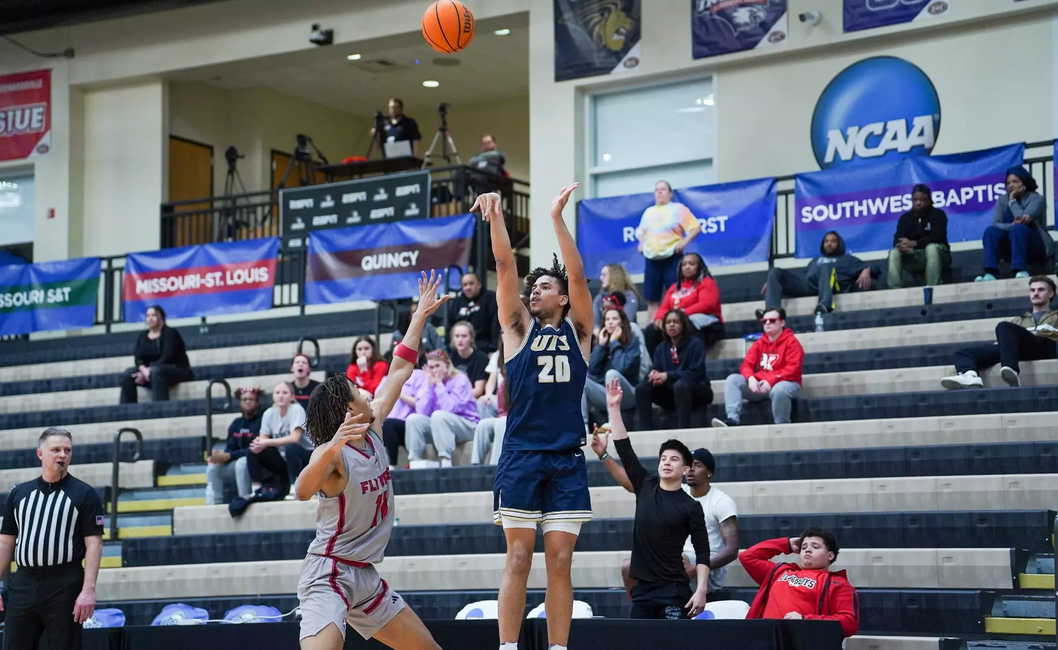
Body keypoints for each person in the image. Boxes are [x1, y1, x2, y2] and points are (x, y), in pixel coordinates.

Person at [295, 270, 448, 650]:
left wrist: (418, 318)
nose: (366, 390)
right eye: (357, 390)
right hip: (328, 572)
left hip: (364, 575)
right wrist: (329, 448)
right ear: (349, 408)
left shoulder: (375, 422)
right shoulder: (331, 455)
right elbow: (301, 491)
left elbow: (399, 368)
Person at [473, 185, 593, 650]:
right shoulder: (518, 330)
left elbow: (579, 277)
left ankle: (559, 649)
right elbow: (505, 267)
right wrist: (497, 217)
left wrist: (556, 218)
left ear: (562, 299)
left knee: (560, 563)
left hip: (565, 457)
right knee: (519, 557)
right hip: (522, 455)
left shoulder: (580, 332)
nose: (534, 290)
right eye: (533, 287)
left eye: (545, 286)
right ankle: (508, 648)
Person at [593, 379, 710, 619]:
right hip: (643, 590)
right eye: (663, 458)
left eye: (674, 459)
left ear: (686, 470)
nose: (667, 462)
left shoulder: (691, 507)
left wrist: (701, 590)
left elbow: (703, 551)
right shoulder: (646, 484)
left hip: (674, 590)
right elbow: (625, 449)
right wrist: (614, 407)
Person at [0, 428, 104, 650]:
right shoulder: (19, 494)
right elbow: (5, 542)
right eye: (56, 450)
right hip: (24, 582)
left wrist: (88, 590)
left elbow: (94, 543)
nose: (62, 455)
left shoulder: (85, 494)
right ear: (40, 454)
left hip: (64, 583)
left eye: (67, 450)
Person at [600, 445, 740, 600]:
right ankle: (639, 611)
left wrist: (695, 569)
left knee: (679, 560)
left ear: (709, 473)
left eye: (698, 465)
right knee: (629, 567)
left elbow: (732, 550)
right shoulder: (677, 492)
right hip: (676, 559)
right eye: (690, 465)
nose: (692, 469)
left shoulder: (721, 501)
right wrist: (603, 455)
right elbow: (632, 483)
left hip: (706, 564)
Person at [941, 275, 1058, 389]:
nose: (1035, 293)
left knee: (1004, 326)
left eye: (1040, 290)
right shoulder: (1018, 320)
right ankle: (970, 375)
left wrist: (1038, 333)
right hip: (1020, 350)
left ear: (1051, 294)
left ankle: (1010, 369)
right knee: (963, 353)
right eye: (1032, 290)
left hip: (1045, 347)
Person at [740, 528, 860, 638]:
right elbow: (747, 557)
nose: (807, 549)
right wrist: (786, 545)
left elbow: (849, 623)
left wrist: (805, 620)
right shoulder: (779, 572)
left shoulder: (838, 584)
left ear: (830, 555)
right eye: (803, 547)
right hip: (766, 641)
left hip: (802, 642)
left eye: (815, 547)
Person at [714, 307, 804, 427]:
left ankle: (782, 425)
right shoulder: (760, 343)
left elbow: (793, 369)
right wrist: (750, 378)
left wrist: (772, 380)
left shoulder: (792, 343)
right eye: (764, 321)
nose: (767, 323)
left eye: (772, 320)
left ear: (782, 322)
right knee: (733, 380)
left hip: (788, 383)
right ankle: (732, 420)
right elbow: (746, 365)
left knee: (780, 389)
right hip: (762, 385)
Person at [761, 231, 879, 314]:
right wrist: (773, 282)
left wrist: (867, 269)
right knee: (775, 272)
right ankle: (771, 312)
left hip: (831, 287)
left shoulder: (847, 260)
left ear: (839, 244)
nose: (829, 244)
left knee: (826, 266)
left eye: (833, 241)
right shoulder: (815, 261)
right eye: (826, 241)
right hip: (810, 285)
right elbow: (802, 276)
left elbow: (876, 269)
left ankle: (825, 305)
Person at [635, 310, 712, 431]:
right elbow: (658, 369)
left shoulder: (695, 344)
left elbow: (695, 373)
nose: (671, 325)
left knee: (680, 385)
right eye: (668, 322)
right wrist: (655, 375)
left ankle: (683, 431)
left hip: (697, 390)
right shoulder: (661, 348)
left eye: (676, 322)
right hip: (671, 392)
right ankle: (646, 430)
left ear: (683, 325)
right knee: (641, 388)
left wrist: (668, 376)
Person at [404, 349, 480, 468]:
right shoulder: (429, 381)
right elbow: (422, 411)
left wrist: (439, 385)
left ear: (447, 364)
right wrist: (429, 387)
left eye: (437, 366)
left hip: (467, 425)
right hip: (441, 425)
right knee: (414, 419)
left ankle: (445, 460)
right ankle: (414, 460)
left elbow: (450, 408)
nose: (434, 371)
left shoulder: (460, 379)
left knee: (439, 415)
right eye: (431, 367)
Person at [635, 181, 702, 315]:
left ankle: (676, 325)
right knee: (652, 299)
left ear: (670, 194)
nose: (659, 192)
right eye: (657, 189)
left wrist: (684, 242)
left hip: (672, 257)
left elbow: (696, 227)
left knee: (676, 294)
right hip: (652, 259)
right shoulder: (648, 212)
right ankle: (651, 331)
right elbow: (641, 232)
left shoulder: (678, 209)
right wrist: (641, 244)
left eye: (663, 189)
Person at [977, 166, 1053, 282]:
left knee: (1019, 228)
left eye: (1015, 181)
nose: (1011, 185)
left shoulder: (1036, 199)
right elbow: (996, 223)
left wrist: (1012, 200)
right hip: (1011, 246)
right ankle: (991, 273)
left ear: (1024, 182)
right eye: (1008, 183)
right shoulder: (1002, 200)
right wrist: (1012, 225)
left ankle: (1020, 270)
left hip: (1034, 246)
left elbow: (1022, 219)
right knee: (990, 231)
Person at [646, 253, 724, 355]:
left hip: (706, 321)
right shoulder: (675, 287)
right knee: (651, 330)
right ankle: (659, 365)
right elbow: (664, 307)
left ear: (699, 266)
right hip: (679, 319)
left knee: (687, 324)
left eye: (691, 264)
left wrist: (682, 315)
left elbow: (707, 304)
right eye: (684, 264)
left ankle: (692, 363)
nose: (687, 267)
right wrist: (659, 318)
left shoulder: (706, 282)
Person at [119, 305, 194, 403]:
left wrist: (148, 371)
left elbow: (167, 357)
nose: (150, 318)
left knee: (156, 372)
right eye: (147, 316)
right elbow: (138, 358)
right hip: (149, 372)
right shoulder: (142, 336)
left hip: (176, 369)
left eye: (153, 315)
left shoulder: (170, 333)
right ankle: (127, 411)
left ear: (161, 317)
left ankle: (160, 409)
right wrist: (142, 369)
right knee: (128, 375)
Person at [205, 387, 262, 505]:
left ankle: (244, 499)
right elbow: (230, 448)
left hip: (256, 465)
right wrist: (219, 456)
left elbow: (255, 449)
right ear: (240, 403)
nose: (247, 402)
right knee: (212, 467)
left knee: (241, 463)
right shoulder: (236, 423)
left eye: (251, 399)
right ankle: (214, 504)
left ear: (257, 403)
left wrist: (229, 455)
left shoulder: (262, 421)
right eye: (244, 399)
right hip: (236, 463)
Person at [887, 184, 951, 288]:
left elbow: (938, 236)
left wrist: (915, 243)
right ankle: (895, 289)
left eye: (922, 199)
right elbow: (897, 239)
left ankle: (932, 287)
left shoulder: (938, 214)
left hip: (939, 255)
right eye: (915, 200)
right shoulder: (905, 218)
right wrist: (902, 246)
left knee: (931, 248)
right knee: (894, 252)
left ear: (929, 200)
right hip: (914, 255)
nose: (918, 203)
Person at [583, 305, 640, 421]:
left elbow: (621, 368)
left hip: (628, 394)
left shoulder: (632, 340)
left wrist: (615, 343)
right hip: (606, 394)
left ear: (622, 322)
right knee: (581, 380)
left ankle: (612, 422)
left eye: (614, 319)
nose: (610, 322)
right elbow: (592, 370)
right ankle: (584, 429)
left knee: (611, 374)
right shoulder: (603, 342)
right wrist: (601, 346)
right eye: (607, 319)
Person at [250, 382, 310, 486]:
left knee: (291, 448)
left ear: (291, 397)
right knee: (254, 450)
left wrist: (266, 442)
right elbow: (262, 440)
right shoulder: (269, 413)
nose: (281, 396)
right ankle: (257, 488)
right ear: (273, 396)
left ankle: (294, 486)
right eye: (277, 393)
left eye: (284, 393)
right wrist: (258, 444)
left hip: (306, 456)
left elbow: (294, 438)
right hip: (283, 458)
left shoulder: (296, 409)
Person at [379, 365, 427, 470]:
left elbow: (420, 404)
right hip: (387, 422)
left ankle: (392, 464)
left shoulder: (419, 375)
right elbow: (379, 403)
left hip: (409, 422)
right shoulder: (386, 379)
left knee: (389, 424)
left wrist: (398, 392)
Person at [446, 272, 500, 353]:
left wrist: (496, 350)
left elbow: (495, 325)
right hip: (462, 350)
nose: (468, 287)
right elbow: (450, 328)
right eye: (465, 285)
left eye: (471, 283)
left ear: (479, 285)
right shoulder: (457, 303)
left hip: (486, 348)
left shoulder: (490, 298)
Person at [593, 263, 640, 333]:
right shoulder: (599, 298)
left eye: (604, 275)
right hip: (603, 334)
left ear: (614, 276)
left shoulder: (629, 296)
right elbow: (595, 325)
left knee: (634, 327)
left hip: (626, 335)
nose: (600, 278)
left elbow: (627, 320)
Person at [448, 321, 489, 398]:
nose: (460, 340)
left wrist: (456, 397)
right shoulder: (450, 358)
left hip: (473, 400)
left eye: (464, 336)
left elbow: (478, 390)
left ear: (471, 338)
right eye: (457, 336)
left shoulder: (481, 358)